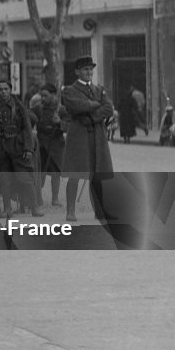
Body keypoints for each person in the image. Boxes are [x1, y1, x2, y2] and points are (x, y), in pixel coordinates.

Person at [60, 56, 114, 224]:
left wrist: (92, 116)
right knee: (75, 173)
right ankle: (70, 211)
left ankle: (99, 211)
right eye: (85, 69)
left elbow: (109, 108)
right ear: (77, 72)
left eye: (91, 69)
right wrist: (96, 104)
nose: (89, 72)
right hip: (79, 136)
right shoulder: (69, 90)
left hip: (97, 135)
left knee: (96, 175)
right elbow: (78, 106)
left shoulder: (99, 89)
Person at [0, 79, 39, 217]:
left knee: (25, 178)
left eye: (6, 89)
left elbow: (27, 128)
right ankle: (7, 208)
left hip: (18, 147)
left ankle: (34, 207)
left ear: (10, 90)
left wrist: (28, 148)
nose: (3, 92)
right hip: (1, 148)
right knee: (5, 180)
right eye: (0, 90)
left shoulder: (19, 107)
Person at [34, 83, 66, 207]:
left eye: (45, 96)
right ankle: (38, 197)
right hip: (42, 143)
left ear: (53, 95)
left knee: (55, 172)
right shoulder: (38, 109)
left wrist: (60, 123)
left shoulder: (61, 109)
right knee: (40, 172)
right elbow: (29, 119)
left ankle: (55, 198)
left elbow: (70, 125)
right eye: (41, 95)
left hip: (56, 144)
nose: (43, 98)